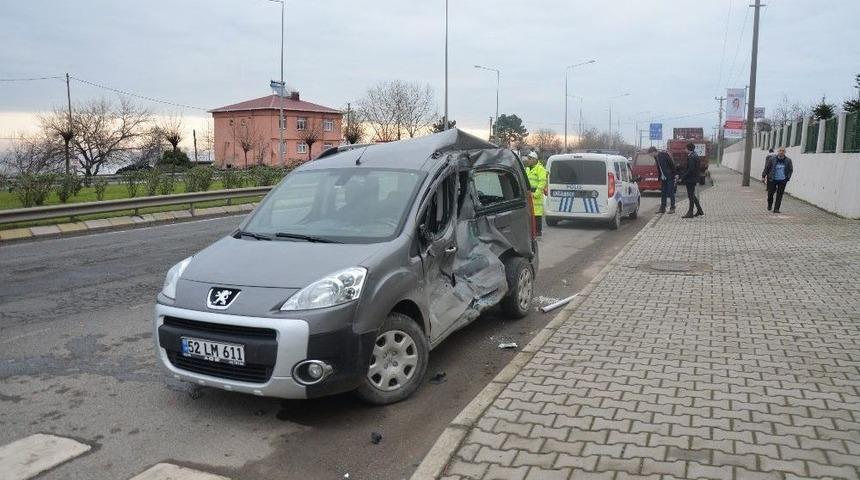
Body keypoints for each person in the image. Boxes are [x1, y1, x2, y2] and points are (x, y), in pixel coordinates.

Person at [761, 147, 793, 213]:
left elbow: (790, 170)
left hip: (782, 180)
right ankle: (769, 205)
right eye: (780, 151)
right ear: (777, 151)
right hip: (772, 179)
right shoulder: (772, 159)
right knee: (770, 194)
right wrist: (763, 176)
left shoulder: (788, 160)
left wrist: (787, 178)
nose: (781, 152)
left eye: (783, 151)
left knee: (780, 195)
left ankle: (776, 209)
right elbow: (767, 168)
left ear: (785, 152)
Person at [524, 151, 547, 236]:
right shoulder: (527, 168)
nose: (528, 160)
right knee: (530, 214)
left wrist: (536, 194)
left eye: (530, 159)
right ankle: (532, 230)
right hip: (529, 194)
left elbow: (542, 182)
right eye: (528, 159)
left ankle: (538, 231)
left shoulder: (540, 169)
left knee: (537, 214)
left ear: (535, 159)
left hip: (536, 195)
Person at [648, 146, 677, 214]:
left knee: (670, 192)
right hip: (663, 178)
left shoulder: (664, 155)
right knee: (663, 193)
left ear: (654, 152)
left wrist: (675, 173)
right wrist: (660, 176)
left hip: (670, 177)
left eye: (650, 154)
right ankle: (662, 208)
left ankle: (672, 207)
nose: (650, 156)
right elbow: (659, 167)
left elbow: (671, 164)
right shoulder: (656, 157)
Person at [681, 142, 704, 218]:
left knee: (691, 196)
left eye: (685, 148)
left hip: (690, 179)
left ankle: (690, 212)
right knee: (692, 195)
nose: (685, 150)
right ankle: (700, 210)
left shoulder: (691, 157)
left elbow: (690, 169)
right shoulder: (695, 155)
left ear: (688, 149)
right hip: (694, 178)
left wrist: (683, 177)